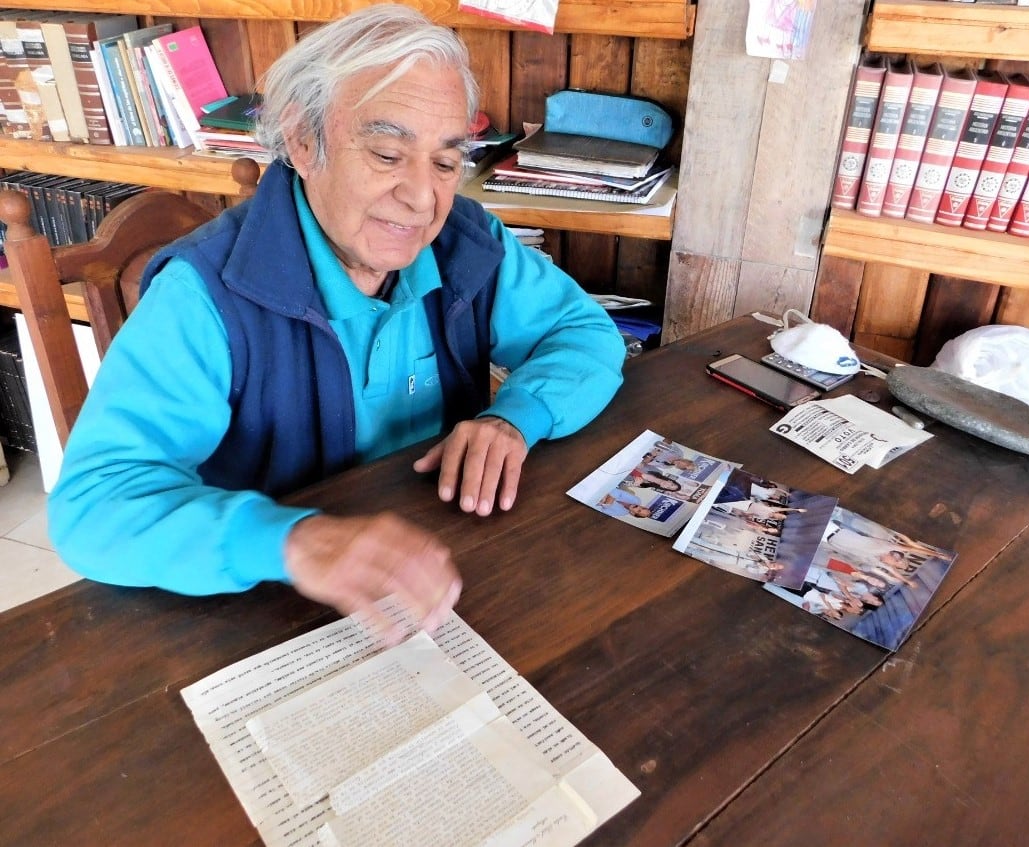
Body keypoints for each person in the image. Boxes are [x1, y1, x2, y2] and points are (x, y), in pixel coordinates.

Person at [47, 4, 625, 641]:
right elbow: (95, 506)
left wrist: (515, 417)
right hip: (267, 609)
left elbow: (584, 333)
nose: (423, 198)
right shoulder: (204, 293)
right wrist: (293, 540)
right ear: (303, 141)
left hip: (440, 569)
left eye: (444, 162)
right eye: (387, 153)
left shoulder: (466, 242)